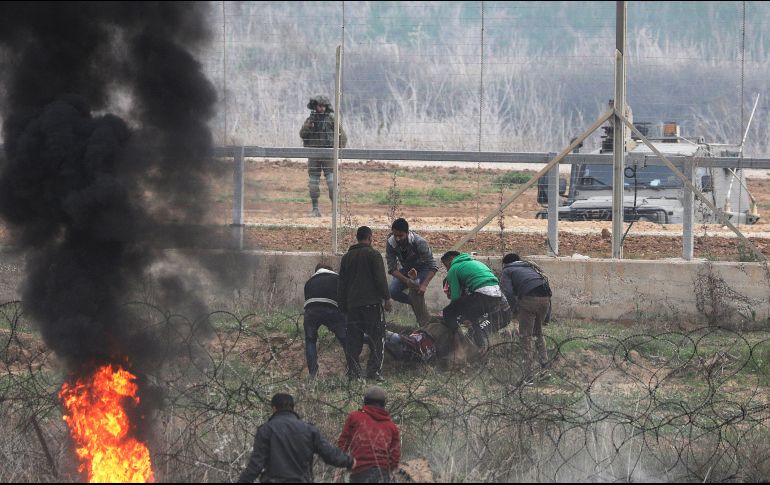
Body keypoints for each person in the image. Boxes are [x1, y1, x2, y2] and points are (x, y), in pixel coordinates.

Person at [238, 393, 354, 483]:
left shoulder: (265, 430)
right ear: (293, 408)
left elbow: (256, 465)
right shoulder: (309, 429)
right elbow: (329, 454)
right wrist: (349, 461)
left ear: (274, 408)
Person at [337, 226, 392, 382]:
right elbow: (380, 279)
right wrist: (387, 298)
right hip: (371, 305)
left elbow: (342, 283)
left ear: (357, 237)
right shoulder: (373, 255)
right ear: (370, 238)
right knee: (377, 339)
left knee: (353, 340)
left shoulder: (347, 257)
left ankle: (353, 372)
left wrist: (342, 306)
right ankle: (373, 372)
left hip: (352, 306)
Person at [501, 253, 553, 381]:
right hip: (545, 300)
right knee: (538, 333)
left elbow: (507, 291)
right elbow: (547, 289)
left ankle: (527, 374)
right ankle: (545, 368)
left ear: (505, 263)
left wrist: (513, 309)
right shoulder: (532, 268)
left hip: (528, 300)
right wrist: (547, 316)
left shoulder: (507, 270)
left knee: (525, 336)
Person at [440, 251, 511, 341]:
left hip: (495, 307)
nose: (447, 270)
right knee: (471, 318)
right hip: (496, 296)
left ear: (450, 260)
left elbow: (455, 298)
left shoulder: (454, 269)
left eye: (446, 265)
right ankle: (480, 343)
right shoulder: (476, 263)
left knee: (448, 312)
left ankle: (456, 342)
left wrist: (452, 312)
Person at [303, 263, 356, 379]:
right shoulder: (337, 279)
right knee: (345, 339)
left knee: (310, 341)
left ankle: (313, 373)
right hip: (332, 310)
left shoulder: (309, 282)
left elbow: (307, 302)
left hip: (311, 312)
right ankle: (353, 369)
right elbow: (345, 299)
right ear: (330, 270)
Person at [337, 386, 400, 483]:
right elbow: (395, 457)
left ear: (365, 402)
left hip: (359, 472)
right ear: (384, 404)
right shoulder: (392, 427)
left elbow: (343, 443)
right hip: (383, 474)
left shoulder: (354, 417)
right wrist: (390, 472)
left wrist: (340, 465)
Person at [299, 95, 347, 217]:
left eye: (323, 106)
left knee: (332, 183)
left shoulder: (331, 120)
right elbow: (302, 134)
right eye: (319, 106)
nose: (321, 108)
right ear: (315, 107)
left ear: (326, 107)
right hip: (314, 155)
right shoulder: (310, 120)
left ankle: (335, 210)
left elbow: (343, 137)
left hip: (329, 155)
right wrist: (309, 126)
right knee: (313, 184)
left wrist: (337, 151)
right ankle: (315, 209)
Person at [385, 218, 438, 326]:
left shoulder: (419, 242)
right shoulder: (391, 243)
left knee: (416, 288)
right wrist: (406, 280)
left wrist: (424, 285)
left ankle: (423, 323)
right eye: (395, 235)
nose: (398, 239)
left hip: (422, 268)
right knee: (393, 291)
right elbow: (392, 269)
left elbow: (433, 266)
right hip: (407, 270)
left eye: (401, 236)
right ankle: (416, 304)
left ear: (407, 233)